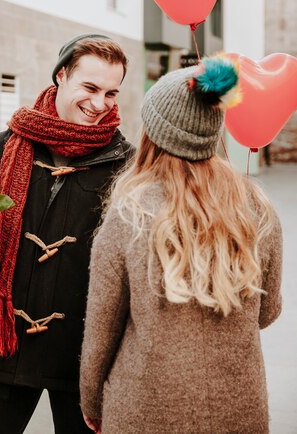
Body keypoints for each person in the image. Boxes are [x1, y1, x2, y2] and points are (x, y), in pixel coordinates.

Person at [80, 56, 283, 434]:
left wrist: (91, 400)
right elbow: (267, 312)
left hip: (145, 408)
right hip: (238, 409)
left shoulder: (130, 212)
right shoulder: (257, 208)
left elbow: (102, 329)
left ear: (153, 133)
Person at [0, 34, 134, 434]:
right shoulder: (2, 148)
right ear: (61, 76)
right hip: (7, 347)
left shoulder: (127, 164)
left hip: (81, 356)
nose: (100, 104)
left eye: (111, 93)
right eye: (89, 88)